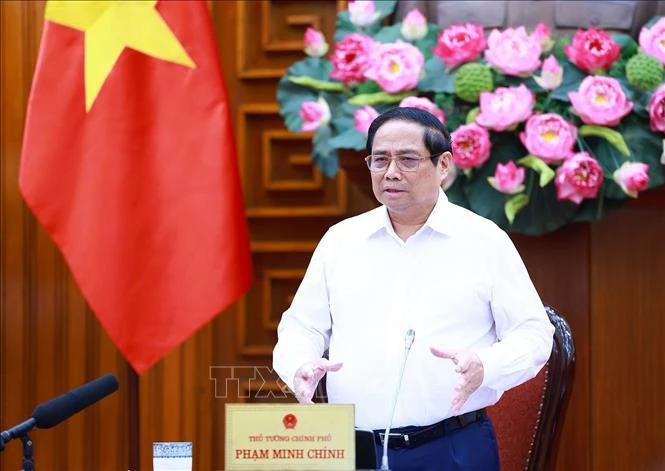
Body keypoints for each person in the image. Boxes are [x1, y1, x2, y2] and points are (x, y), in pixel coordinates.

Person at [273, 107, 554, 470]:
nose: (391, 172)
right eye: (379, 160)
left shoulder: (484, 241)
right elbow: (302, 326)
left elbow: (533, 333)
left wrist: (486, 365)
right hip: (352, 449)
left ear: (443, 165)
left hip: (451, 446)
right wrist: (299, 365)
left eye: (407, 159)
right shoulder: (341, 241)